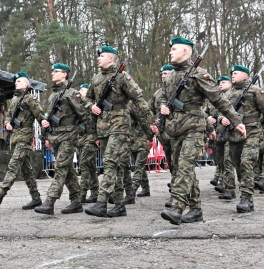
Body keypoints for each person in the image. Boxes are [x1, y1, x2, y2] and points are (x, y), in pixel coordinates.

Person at [159, 37, 246, 224]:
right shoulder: (171, 77)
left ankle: (177, 206)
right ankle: (196, 209)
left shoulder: (198, 74)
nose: (170, 52)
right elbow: (164, 98)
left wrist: (235, 119)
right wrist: (163, 107)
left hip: (194, 128)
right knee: (181, 169)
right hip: (174, 128)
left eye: (174, 49)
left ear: (185, 51)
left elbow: (219, 99)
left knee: (184, 166)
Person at [84, 45, 155, 218]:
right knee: (114, 165)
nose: (98, 58)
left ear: (111, 59)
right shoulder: (96, 79)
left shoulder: (122, 77)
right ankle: (119, 205)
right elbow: (87, 98)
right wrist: (91, 106)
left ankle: (101, 203)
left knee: (109, 162)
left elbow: (138, 99)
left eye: (102, 56)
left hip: (120, 125)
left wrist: (151, 120)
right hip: (103, 126)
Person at [221, 65, 264, 212]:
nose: (232, 75)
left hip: (252, 134)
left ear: (245, 75)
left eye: (236, 73)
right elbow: (220, 111)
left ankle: (246, 198)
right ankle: (247, 195)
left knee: (247, 163)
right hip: (233, 136)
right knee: (238, 166)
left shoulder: (255, 91)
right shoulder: (228, 93)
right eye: (232, 73)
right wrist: (221, 119)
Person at [34, 63, 86, 215]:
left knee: (60, 168)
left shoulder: (71, 93)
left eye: (55, 71)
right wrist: (45, 135)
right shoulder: (52, 95)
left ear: (64, 74)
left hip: (68, 136)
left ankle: (49, 202)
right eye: (52, 71)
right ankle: (76, 201)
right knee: (68, 170)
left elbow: (83, 114)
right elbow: (49, 118)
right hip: (55, 137)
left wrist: (92, 135)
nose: (52, 73)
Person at [0, 72, 46, 209]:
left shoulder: (29, 98)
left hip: (25, 137)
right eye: (16, 81)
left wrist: (44, 124)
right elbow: (9, 116)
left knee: (13, 166)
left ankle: (1, 192)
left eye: (19, 81)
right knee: (26, 171)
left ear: (26, 84)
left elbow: (39, 114)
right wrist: (7, 123)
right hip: (15, 136)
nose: (16, 83)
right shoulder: (14, 99)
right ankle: (36, 197)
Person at [204, 75, 237, 200]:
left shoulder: (233, 96)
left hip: (230, 133)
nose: (220, 84)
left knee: (228, 162)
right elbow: (205, 112)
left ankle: (229, 189)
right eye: (219, 83)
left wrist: (221, 118)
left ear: (230, 84)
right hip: (217, 134)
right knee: (220, 161)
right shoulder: (213, 99)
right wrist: (208, 118)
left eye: (223, 82)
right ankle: (224, 184)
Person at [148, 64, 174, 206]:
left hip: (178, 132)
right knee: (171, 162)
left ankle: (179, 193)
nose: (164, 75)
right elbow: (148, 109)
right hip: (163, 133)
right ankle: (177, 187)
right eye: (162, 73)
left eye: (167, 73)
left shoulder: (180, 90)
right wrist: (153, 121)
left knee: (180, 163)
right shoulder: (158, 93)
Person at [77, 83, 99, 203]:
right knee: (90, 167)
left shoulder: (92, 106)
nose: (80, 91)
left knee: (84, 164)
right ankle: (95, 192)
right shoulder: (78, 105)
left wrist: (98, 136)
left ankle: (82, 194)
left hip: (91, 137)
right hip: (81, 139)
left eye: (83, 90)